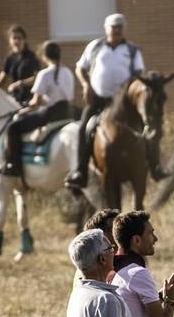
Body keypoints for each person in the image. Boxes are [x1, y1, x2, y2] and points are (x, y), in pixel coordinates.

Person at [68, 14, 164, 189]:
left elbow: (138, 75)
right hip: (98, 100)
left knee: (148, 126)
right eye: (113, 26)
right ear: (106, 28)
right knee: (84, 127)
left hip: (124, 104)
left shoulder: (132, 50)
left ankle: (155, 165)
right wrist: (85, 85)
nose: (117, 30)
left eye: (120, 26)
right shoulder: (95, 47)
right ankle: (80, 171)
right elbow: (80, 68)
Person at [0, 40, 75, 177]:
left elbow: (36, 102)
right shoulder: (68, 72)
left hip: (50, 114)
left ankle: (13, 165)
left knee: (12, 128)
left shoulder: (45, 74)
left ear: (44, 57)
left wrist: (24, 108)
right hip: (69, 112)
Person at [0, 25, 42, 107]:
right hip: (15, 100)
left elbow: (37, 78)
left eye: (19, 38)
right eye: (14, 38)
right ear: (10, 40)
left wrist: (20, 83)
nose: (17, 41)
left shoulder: (31, 56)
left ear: (24, 40)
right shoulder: (9, 58)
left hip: (30, 101)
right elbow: (2, 78)